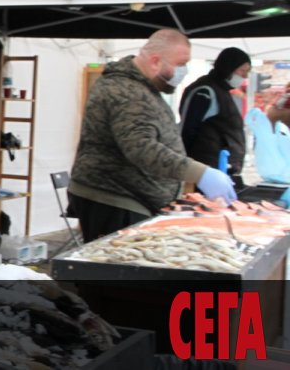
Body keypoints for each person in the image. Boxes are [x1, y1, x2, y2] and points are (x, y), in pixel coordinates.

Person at [68, 29, 236, 242]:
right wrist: (200, 173)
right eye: (180, 64)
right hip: (116, 198)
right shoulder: (127, 92)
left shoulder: (142, 87)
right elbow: (142, 148)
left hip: (131, 198)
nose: (183, 71)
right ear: (155, 60)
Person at [179, 47, 251, 189]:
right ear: (229, 67)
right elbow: (187, 130)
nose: (245, 76)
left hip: (223, 173)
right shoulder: (204, 91)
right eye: (242, 71)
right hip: (206, 174)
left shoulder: (223, 91)